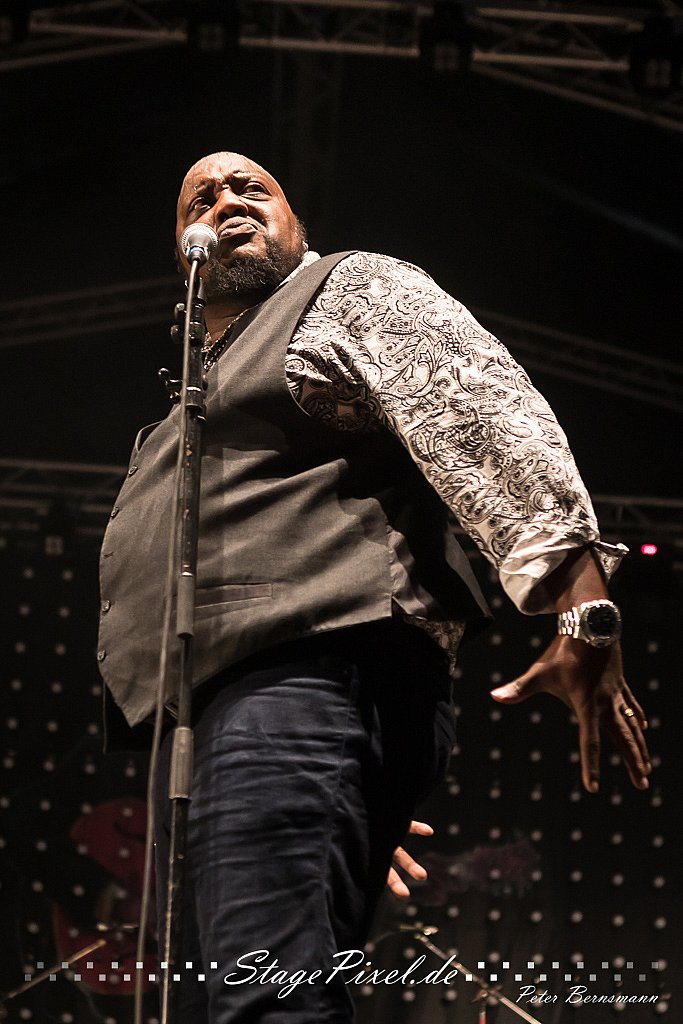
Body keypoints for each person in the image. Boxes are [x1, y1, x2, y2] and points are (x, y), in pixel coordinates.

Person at [97, 151, 651, 1023]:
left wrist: (584, 608)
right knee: (236, 994)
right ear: (182, 248)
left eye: (252, 188)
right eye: (200, 198)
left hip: (304, 681)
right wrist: (335, 802)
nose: (227, 199)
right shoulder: (188, 403)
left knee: (261, 1001)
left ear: (297, 225)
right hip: (224, 725)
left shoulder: (348, 290)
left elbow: (483, 416)